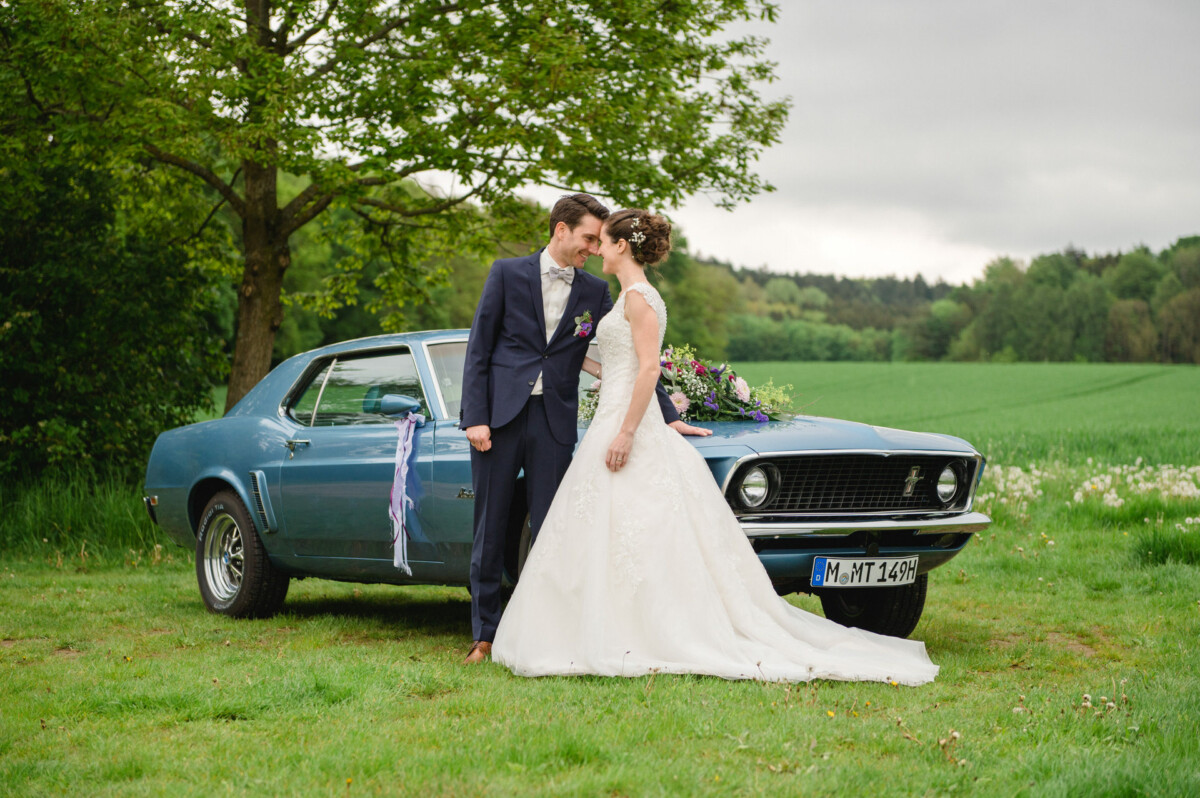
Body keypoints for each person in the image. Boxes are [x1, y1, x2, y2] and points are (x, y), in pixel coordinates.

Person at [491, 209, 939, 684]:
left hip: (625, 426)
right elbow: (622, 366)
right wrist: (596, 375)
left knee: (635, 526)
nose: (596, 249)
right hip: (616, 415)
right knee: (608, 526)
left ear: (622, 244)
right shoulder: (628, 297)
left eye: (602, 240)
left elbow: (648, 370)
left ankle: (644, 632)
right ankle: (607, 627)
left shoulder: (639, 298)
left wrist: (626, 432)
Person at [459, 194, 710, 665]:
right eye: (587, 238)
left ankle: (541, 631)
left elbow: (629, 358)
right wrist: (475, 416)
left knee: (553, 530)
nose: (593, 249)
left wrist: (667, 414)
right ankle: (484, 635)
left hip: (555, 422)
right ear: (560, 230)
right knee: (489, 528)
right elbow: (479, 348)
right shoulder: (505, 274)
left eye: (600, 240)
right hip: (498, 419)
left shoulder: (596, 292)